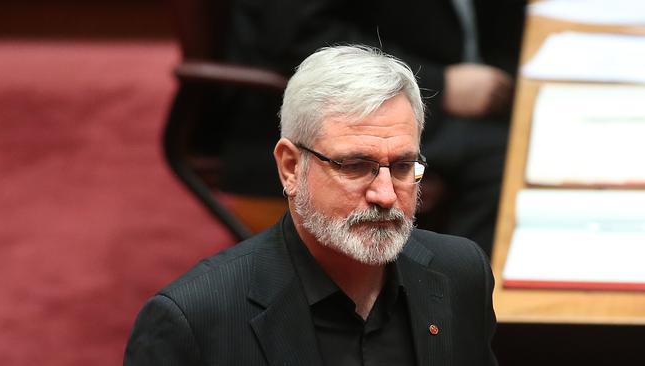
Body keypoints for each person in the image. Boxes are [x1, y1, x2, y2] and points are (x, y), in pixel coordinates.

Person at [125, 45, 497, 366]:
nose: (385, 195)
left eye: (401, 167)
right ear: (290, 167)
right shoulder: (193, 322)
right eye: (354, 166)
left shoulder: (462, 273)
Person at [213, 0, 526, 255]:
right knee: (509, 156)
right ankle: (451, 306)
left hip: (441, 89)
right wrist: (439, 84)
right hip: (335, 109)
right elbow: (297, 37)